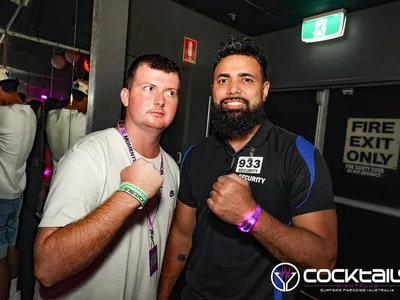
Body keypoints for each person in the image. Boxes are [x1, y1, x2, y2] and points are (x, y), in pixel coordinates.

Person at [157, 35, 338, 300]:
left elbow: (324, 261)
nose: (233, 90)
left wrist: (251, 217)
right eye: (223, 80)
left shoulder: (299, 155)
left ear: (264, 90)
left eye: (246, 79)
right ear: (213, 89)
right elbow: (182, 235)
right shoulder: (196, 155)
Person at [33, 54, 181, 299]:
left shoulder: (172, 169)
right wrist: (129, 195)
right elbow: (46, 267)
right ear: (125, 96)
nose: (160, 101)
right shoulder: (89, 155)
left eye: (170, 93)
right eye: (149, 88)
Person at [0, 66, 37, 300]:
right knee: (12, 246)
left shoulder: (3, 115)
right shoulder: (28, 113)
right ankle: (15, 293)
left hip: (1, 194)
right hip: (17, 192)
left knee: (0, 256)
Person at [45, 80, 89, 168]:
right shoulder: (83, 120)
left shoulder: (51, 115)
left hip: (57, 174)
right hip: (74, 174)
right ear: (85, 100)